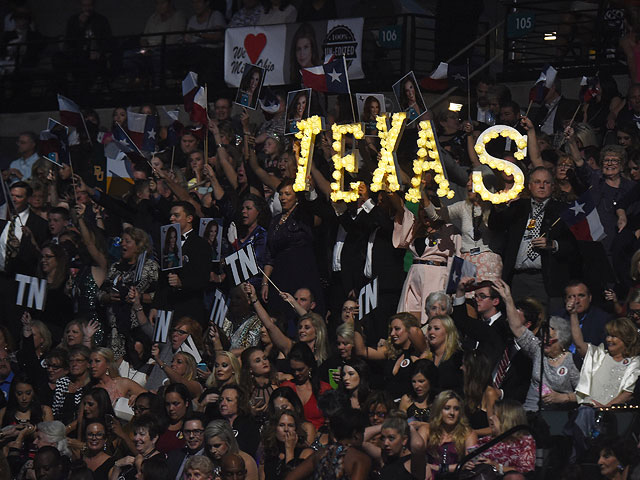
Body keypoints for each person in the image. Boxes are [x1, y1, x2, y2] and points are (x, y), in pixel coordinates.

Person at [488, 167, 576, 309]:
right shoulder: (518, 207)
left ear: (553, 187)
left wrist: (554, 245)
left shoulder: (563, 210)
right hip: (517, 278)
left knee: (544, 320)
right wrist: (499, 207)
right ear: (529, 186)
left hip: (545, 278)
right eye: (537, 182)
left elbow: (573, 245)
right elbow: (495, 225)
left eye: (546, 182)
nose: (541, 186)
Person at [389, 192, 461, 325]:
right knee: (409, 318)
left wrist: (452, 289)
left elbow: (456, 259)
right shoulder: (416, 227)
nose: (424, 212)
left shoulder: (449, 229)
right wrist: (390, 190)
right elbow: (402, 209)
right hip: (414, 276)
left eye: (427, 208)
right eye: (421, 209)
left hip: (436, 277)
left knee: (431, 318)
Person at [151, 202, 211, 324]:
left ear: (189, 218)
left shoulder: (201, 245)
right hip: (166, 308)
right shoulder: (166, 245)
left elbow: (203, 279)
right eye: (171, 215)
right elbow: (162, 279)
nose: (171, 218)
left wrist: (181, 283)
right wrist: (155, 306)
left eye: (176, 215)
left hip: (189, 309)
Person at [356, 313, 427, 401]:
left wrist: (410, 324)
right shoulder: (390, 351)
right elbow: (361, 351)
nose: (392, 333)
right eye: (391, 330)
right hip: (390, 407)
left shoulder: (418, 352)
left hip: (408, 405)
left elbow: (415, 330)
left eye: (397, 329)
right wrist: (355, 324)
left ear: (408, 330)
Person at [285, 408, 372, 480]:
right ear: (356, 434)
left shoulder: (321, 453)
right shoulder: (360, 459)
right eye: (363, 432)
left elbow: (290, 477)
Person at [467, 400, 536, 475]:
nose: (490, 418)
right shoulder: (485, 440)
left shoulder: (524, 441)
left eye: (494, 414)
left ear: (506, 418)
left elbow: (526, 470)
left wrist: (496, 466)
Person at [423, 390, 478, 475]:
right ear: (439, 409)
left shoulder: (469, 433)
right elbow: (415, 458)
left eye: (456, 409)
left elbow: (470, 464)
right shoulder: (426, 429)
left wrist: (438, 468)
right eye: (447, 408)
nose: (452, 413)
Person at [280, 343, 332, 429]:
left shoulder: (324, 389)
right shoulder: (286, 388)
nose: (296, 374)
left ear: (310, 367)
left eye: (300, 369)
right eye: (294, 370)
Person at [362, 411, 426, 480]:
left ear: (404, 440)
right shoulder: (384, 457)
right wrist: (387, 425)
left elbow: (418, 445)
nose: (386, 443)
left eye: (391, 438)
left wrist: (409, 427)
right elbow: (361, 438)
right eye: (383, 438)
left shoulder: (412, 462)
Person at [260, 408, 314, 480]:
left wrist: (289, 449)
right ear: (275, 428)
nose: (286, 429)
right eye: (281, 425)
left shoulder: (306, 453)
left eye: (290, 425)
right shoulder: (269, 452)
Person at [109, 415, 164, 480]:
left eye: (142, 434)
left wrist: (139, 467)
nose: (136, 438)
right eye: (135, 434)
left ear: (154, 438)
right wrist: (117, 466)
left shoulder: (158, 463)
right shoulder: (131, 457)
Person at [424, 315, 463, 393]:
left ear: (448, 332)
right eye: (429, 328)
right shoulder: (426, 358)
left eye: (436, 328)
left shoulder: (458, 357)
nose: (431, 332)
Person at [218, 384, 260, 457]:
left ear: (239, 403)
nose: (223, 403)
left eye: (229, 400)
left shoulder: (249, 425)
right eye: (221, 400)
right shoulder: (216, 423)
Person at [166, 412, 206, 480]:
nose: (191, 436)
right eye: (187, 432)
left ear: (205, 432)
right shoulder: (174, 456)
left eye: (196, 431)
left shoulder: (210, 458)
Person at [399, 359, 438, 424]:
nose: (416, 386)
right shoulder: (407, 400)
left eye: (421, 381)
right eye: (414, 382)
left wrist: (421, 425)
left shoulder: (438, 400)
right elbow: (400, 426)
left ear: (431, 381)